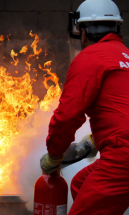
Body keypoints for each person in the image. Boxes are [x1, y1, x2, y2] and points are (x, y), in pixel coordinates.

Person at [40, 0, 129, 214]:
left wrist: (54, 154)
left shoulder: (90, 58)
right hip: (123, 149)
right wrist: (95, 140)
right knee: (80, 182)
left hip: (123, 156)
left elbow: (67, 116)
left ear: (83, 32)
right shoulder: (125, 55)